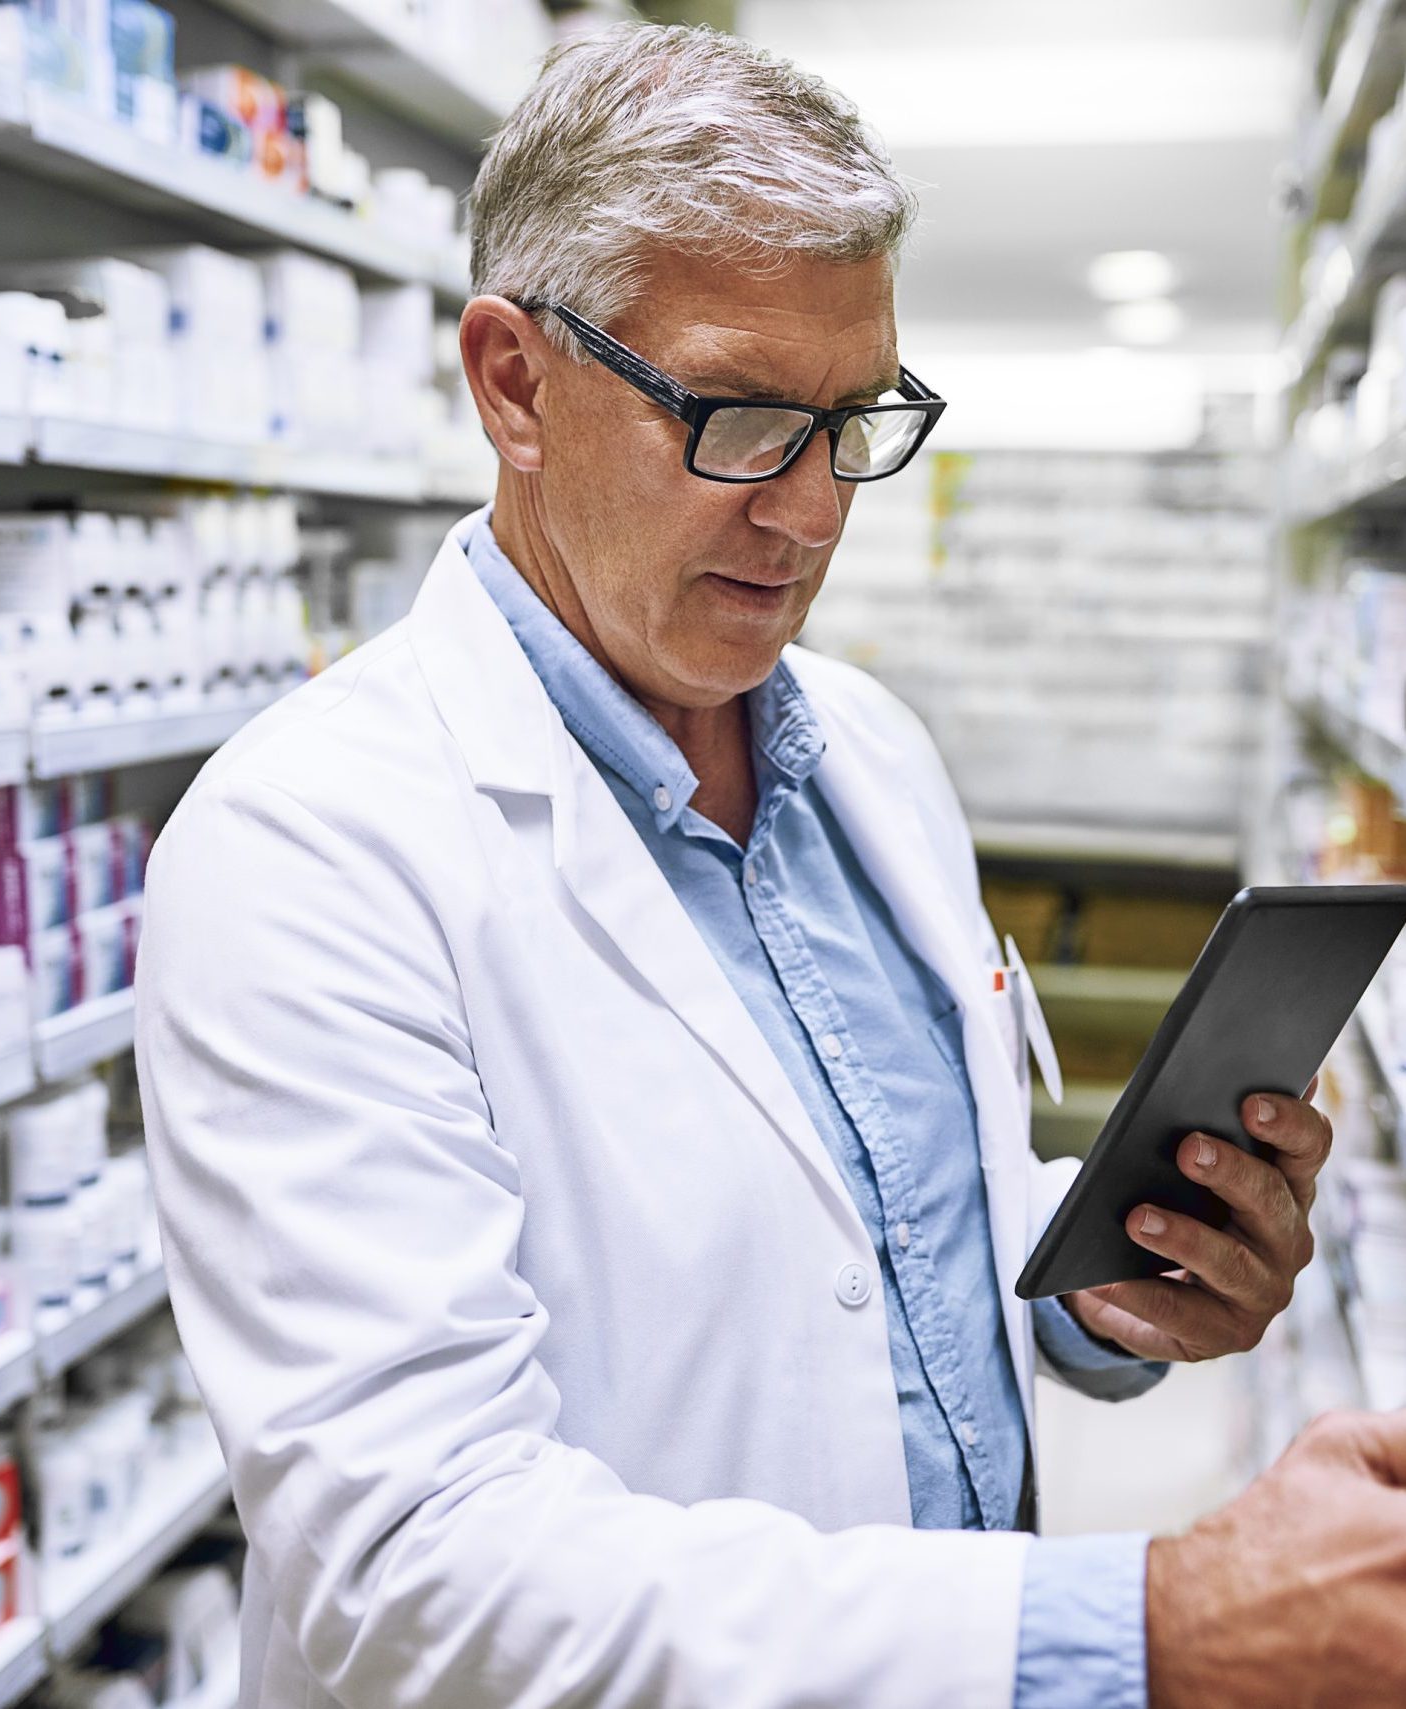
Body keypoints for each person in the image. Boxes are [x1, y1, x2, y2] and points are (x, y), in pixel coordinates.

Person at [136, 23, 1406, 1709]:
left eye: (853, 420)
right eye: (737, 418)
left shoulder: (869, 753)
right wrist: (1147, 1627)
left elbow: (874, 1222)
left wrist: (1098, 1276)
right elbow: (413, 1566)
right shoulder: (304, 849)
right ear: (513, 382)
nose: (808, 513)